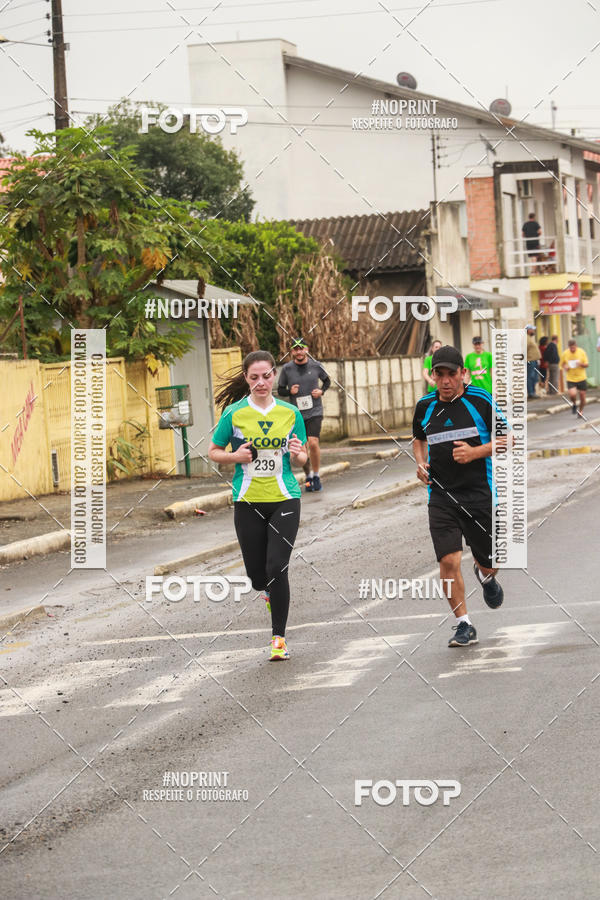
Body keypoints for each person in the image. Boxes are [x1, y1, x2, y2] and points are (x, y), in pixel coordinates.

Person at [208, 350, 308, 661]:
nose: (261, 382)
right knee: (256, 576)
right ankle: (267, 592)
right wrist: (235, 457)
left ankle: (278, 638)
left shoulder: (290, 413)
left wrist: (297, 453)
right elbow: (213, 451)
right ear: (246, 379)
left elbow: (303, 458)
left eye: (266, 376)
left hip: (285, 497)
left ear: (274, 375)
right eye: (254, 378)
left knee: (277, 567)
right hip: (248, 500)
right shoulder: (234, 414)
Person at [412, 345, 505, 648]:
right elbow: (418, 439)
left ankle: (485, 575)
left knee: (490, 563)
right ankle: (463, 624)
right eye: (440, 374)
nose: (446, 380)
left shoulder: (481, 400)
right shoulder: (425, 406)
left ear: (463, 373)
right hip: (441, 496)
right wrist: (420, 463)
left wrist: (476, 452)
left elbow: (508, 439)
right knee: (449, 561)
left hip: (479, 494)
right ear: (434, 377)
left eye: (452, 374)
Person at [277, 337, 331, 492]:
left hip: (315, 411)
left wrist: (322, 391)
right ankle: (308, 476)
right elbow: (280, 389)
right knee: (302, 447)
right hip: (297, 414)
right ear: (292, 351)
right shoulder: (287, 368)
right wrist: (289, 392)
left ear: (306, 350)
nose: (299, 351)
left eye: (301, 348)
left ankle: (316, 475)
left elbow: (327, 381)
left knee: (313, 442)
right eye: (295, 349)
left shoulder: (316, 366)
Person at [560, 338, 589, 416]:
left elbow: (587, 364)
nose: (572, 349)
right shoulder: (565, 353)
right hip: (571, 378)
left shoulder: (581, 352)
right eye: (571, 348)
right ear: (569, 347)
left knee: (582, 396)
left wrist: (581, 364)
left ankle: (581, 411)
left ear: (576, 346)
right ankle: (574, 404)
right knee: (572, 394)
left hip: (581, 377)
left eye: (574, 347)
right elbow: (562, 364)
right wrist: (565, 366)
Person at [526, 325, 539, 399]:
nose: (534, 331)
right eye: (532, 330)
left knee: (534, 377)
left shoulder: (529, 338)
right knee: (530, 376)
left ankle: (533, 392)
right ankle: (531, 393)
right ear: (528, 330)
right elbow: (524, 348)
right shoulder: (526, 338)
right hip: (530, 360)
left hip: (533, 360)